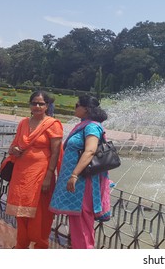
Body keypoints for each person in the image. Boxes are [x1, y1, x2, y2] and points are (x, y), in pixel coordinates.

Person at [49, 95, 111, 249]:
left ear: (86, 109)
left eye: (77, 105)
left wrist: (74, 174)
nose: (74, 107)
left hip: (83, 181)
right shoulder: (84, 125)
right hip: (77, 182)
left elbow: (90, 151)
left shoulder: (91, 127)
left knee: (82, 223)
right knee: (78, 224)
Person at [4, 91, 63, 249]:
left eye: (41, 103)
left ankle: (40, 245)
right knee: (20, 211)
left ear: (47, 106)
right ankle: (21, 244)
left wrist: (49, 176)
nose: (37, 106)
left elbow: (56, 152)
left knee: (39, 213)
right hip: (21, 173)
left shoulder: (53, 124)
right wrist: (14, 149)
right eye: (34, 103)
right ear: (30, 105)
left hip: (41, 174)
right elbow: (13, 145)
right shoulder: (23, 123)